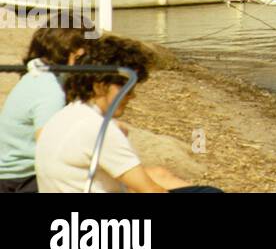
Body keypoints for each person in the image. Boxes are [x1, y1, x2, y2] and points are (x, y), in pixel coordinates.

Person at [35, 35, 216, 193]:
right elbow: (151, 191)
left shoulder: (66, 115)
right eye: (126, 89)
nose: (132, 96)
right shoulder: (98, 129)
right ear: (99, 85)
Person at [0, 24, 91, 193]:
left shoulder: (37, 71)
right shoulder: (50, 89)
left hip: (15, 171)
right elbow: (49, 146)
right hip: (21, 179)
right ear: (74, 53)